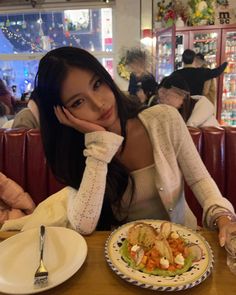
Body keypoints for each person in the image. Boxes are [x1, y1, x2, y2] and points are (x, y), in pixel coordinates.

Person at [35, 46, 235, 248]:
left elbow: (199, 178)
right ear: (62, 115)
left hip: (181, 245)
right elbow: (83, 225)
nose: (99, 104)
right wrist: (101, 144)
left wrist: (222, 216)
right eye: (78, 102)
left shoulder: (164, 119)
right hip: (124, 258)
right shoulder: (79, 152)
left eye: (97, 84)